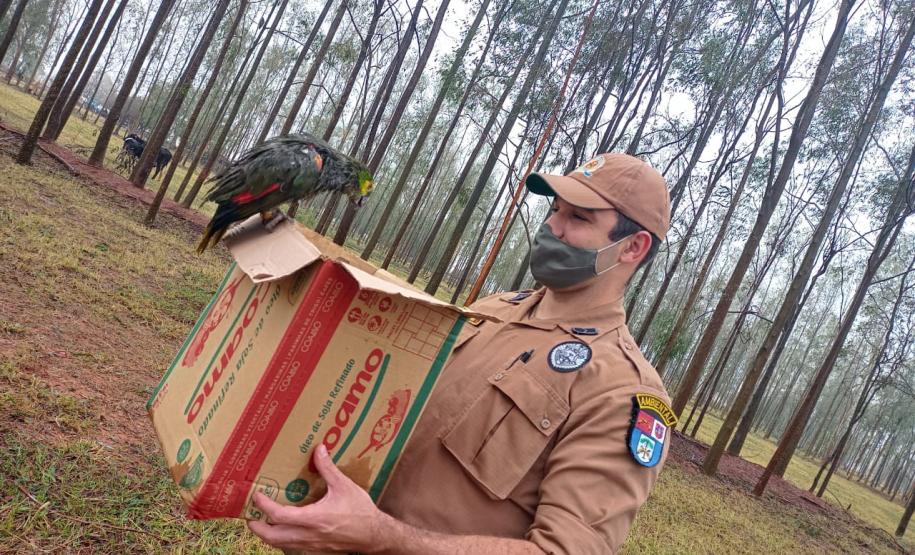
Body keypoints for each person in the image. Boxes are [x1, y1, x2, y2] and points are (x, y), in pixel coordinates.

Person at [248, 153, 676, 554]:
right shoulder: (493, 309)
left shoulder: (620, 391)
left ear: (632, 247)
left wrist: (383, 536)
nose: (553, 229)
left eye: (578, 218)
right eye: (555, 210)